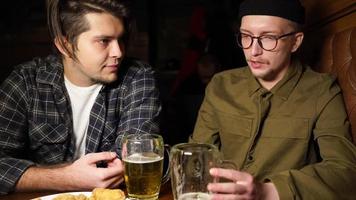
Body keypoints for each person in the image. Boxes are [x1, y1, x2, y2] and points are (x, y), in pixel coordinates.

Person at [190, 0, 356, 199]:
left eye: (268, 38)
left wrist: (267, 191)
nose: (253, 51)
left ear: (296, 41)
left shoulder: (322, 91)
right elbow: (196, 157)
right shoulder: (220, 85)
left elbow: (346, 171)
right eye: (245, 36)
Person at [0, 0, 161, 195]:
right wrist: (66, 178)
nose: (118, 52)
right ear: (64, 44)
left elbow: (133, 156)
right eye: (104, 41)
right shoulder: (25, 82)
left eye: (121, 39)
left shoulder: (137, 77)